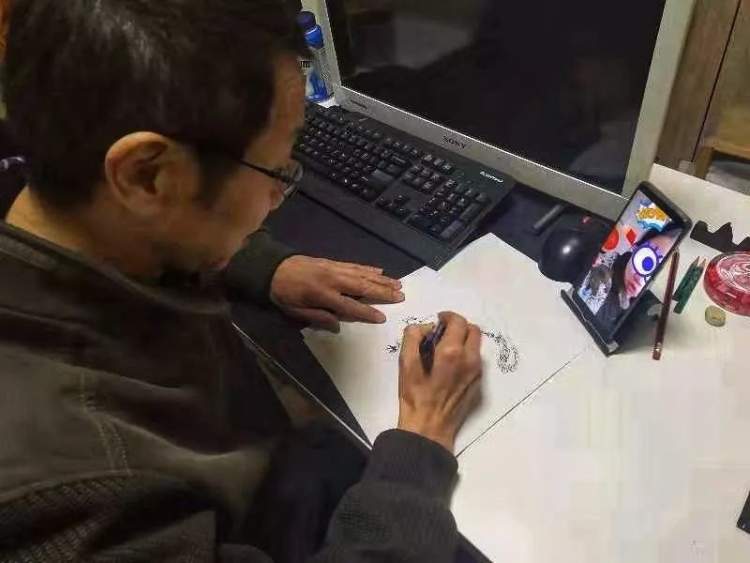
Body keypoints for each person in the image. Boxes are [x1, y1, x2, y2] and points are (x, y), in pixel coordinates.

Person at [0, 1, 483, 562]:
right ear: (148, 176)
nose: (279, 198)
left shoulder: (60, 187)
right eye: (276, 171)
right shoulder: (76, 503)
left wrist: (259, 264)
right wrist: (422, 443)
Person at [594, 224, 682, 328]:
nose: (639, 279)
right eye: (645, 261)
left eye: (654, 274)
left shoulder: (639, 319)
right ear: (635, 248)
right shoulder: (602, 263)